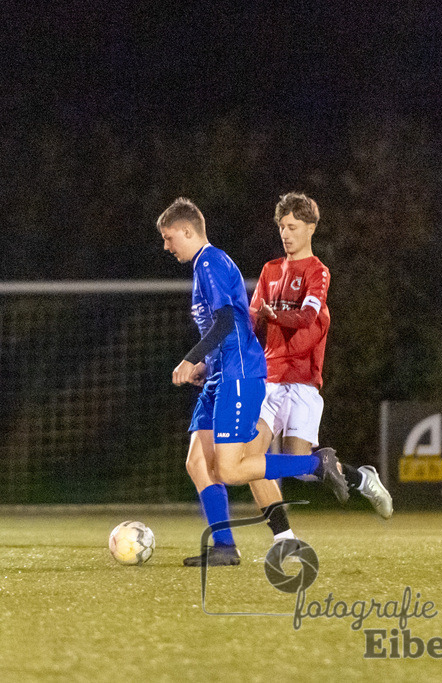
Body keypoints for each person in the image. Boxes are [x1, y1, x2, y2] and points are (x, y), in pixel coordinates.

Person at [157, 197, 355, 567]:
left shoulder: (211, 263)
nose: (166, 246)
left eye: (169, 238)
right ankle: (224, 548)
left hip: (238, 374)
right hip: (219, 372)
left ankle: (315, 465)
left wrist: (192, 357)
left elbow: (226, 321)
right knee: (198, 463)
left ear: (187, 231)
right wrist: (206, 364)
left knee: (231, 469)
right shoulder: (203, 266)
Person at [246, 193, 392, 546]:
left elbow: (307, 316)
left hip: (302, 383)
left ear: (311, 228)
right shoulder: (269, 270)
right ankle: (284, 538)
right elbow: (252, 321)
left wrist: (272, 314)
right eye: (281, 227)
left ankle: (360, 479)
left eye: (293, 226)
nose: (285, 233)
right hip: (268, 378)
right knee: (251, 459)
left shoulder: (317, 271)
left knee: (302, 468)